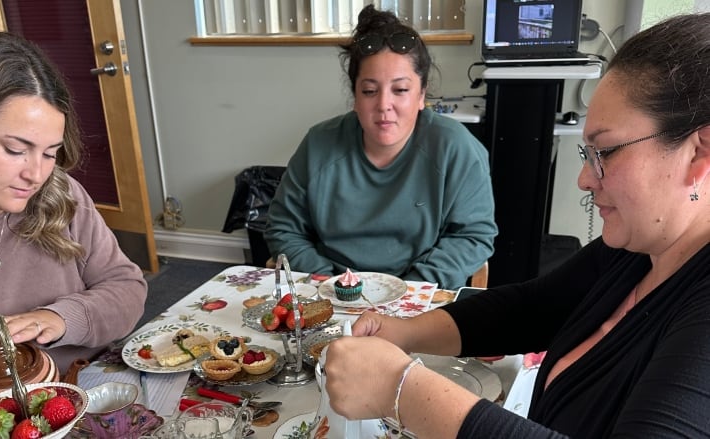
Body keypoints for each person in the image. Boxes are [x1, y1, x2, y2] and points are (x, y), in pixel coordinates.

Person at [324, 12, 710, 438]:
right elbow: (530, 308)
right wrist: (405, 332)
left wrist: (402, 391)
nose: (585, 178)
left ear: (698, 152)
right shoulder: (640, 250)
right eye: (587, 153)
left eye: (607, 151)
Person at [0, 32, 147, 435]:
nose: (36, 174)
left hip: (88, 406)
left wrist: (59, 318)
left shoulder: (61, 195)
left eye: (50, 153)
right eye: (16, 149)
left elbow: (128, 289)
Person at [264, 5, 497, 289]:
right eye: (370, 91)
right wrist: (329, 283)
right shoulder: (318, 144)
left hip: (419, 296)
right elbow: (283, 228)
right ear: (355, 98)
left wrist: (412, 291)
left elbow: (473, 236)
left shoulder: (457, 149)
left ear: (422, 95)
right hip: (331, 292)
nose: (384, 105)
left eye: (400, 90)